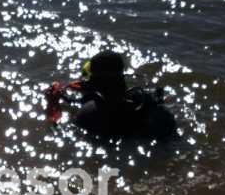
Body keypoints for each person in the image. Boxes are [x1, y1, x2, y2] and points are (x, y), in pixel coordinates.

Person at [45, 50, 176, 140]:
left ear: (94, 83)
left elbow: (60, 136)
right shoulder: (144, 99)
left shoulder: (87, 114)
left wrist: (52, 104)